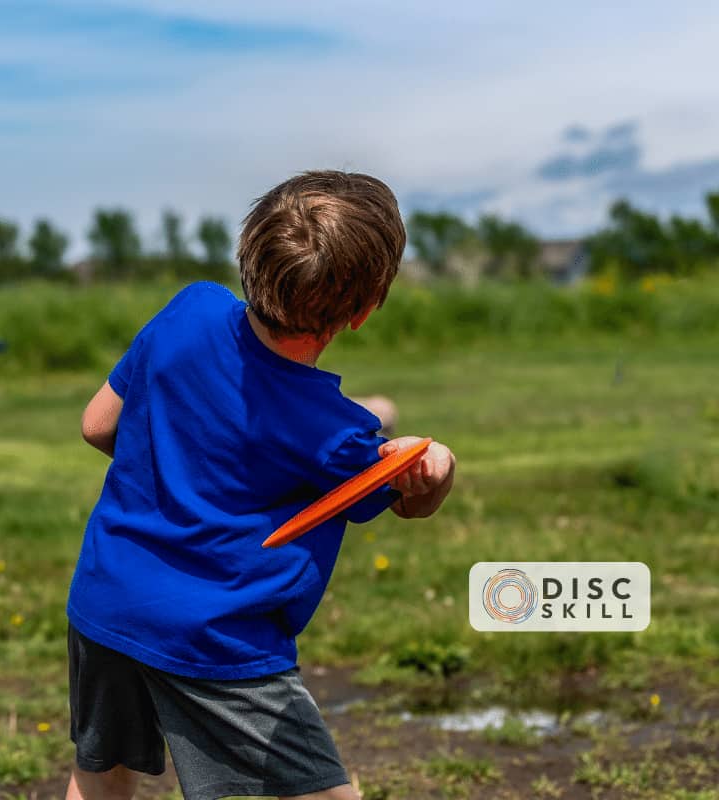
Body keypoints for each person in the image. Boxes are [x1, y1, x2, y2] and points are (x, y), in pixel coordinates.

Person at [63, 171, 457, 800]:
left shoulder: (189, 308)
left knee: (101, 772)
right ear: (361, 312)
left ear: (249, 253)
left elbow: (96, 424)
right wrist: (438, 464)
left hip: (105, 600)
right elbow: (415, 504)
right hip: (216, 640)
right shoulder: (340, 436)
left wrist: (167, 464)